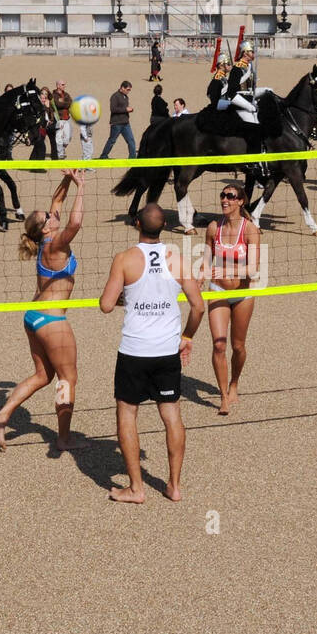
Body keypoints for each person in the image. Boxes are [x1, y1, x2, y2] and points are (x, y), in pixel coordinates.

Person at [99, 203, 205, 504]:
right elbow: (199, 307)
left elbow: (106, 305)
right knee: (171, 414)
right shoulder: (177, 258)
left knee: (127, 413)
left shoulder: (124, 259)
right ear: (164, 227)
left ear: (136, 224)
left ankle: (136, 488)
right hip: (166, 349)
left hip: (134, 350)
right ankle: (173, 486)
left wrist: (129, 296)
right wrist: (187, 336)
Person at [0, 171, 86, 453]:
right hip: (53, 321)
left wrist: (68, 179)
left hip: (33, 317)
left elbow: (57, 200)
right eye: (49, 216)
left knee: (42, 376)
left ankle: (2, 416)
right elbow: (76, 221)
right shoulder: (56, 244)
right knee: (67, 379)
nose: (53, 213)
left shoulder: (47, 238)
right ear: (45, 228)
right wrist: (82, 186)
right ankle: (63, 438)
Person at [205, 182, 260, 415]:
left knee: (238, 346)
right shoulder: (213, 227)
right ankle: (223, 396)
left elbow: (254, 269)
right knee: (219, 345)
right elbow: (207, 258)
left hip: (242, 294)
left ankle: (234, 383)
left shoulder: (249, 229)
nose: (225, 199)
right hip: (217, 291)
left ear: (240, 201)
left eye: (230, 196)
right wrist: (200, 276)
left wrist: (228, 272)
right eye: (223, 195)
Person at [100, 80, 136, 158]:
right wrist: (126, 109)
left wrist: (130, 110)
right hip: (116, 123)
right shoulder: (115, 96)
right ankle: (103, 156)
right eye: (128, 89)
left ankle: (132, 158)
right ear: (122, 87)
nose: (128, 91)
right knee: (112, 140)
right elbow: (113, 109)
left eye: (129, 90)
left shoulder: (126, 97)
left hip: (126, 123)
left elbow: (123, 108)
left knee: (131, 140)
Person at [50, 79, 73, 158]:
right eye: (62, 84)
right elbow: (57, 104)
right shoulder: (53, 95)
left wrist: (63, 102)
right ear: (58, 86)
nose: (64, 86)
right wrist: (64, 103)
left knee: (68, 138)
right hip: (59, 119)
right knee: (59, 137)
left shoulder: (66, 94)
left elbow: (70, 102)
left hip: (67, 118)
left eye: (64, 84)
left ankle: (62, 149)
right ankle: (60, 154)